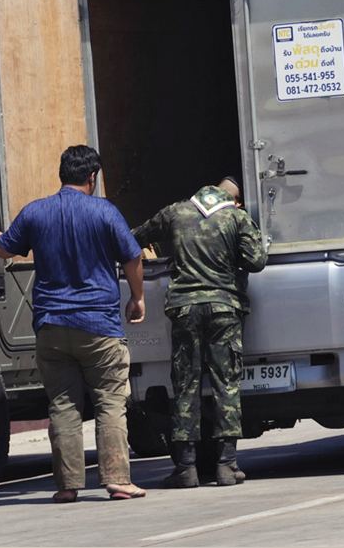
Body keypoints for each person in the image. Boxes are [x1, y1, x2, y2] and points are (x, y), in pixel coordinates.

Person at [0, 145, 147, 503]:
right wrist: (137, 298)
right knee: (110, 402)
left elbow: (5, 249)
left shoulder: (36, 212)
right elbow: (132, 255)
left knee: (63, 405)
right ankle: (118, 480)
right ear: (92, 177)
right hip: (99, 326)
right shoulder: (105, 212)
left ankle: (67, 485)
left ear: (62, 173)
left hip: (51, 326)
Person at [133, 177, 267, 488]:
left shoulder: (176, 213)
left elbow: (135, 237)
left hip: (184, 310)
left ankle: (187, 467)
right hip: (224, 308)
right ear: (235, 200)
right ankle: (226, 466)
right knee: (226, 384)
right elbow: (256, 261)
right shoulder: (237, 217)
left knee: (185, 385)